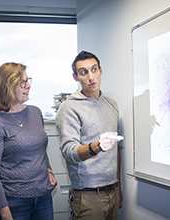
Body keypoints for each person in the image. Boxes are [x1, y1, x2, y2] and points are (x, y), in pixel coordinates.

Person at [0, 62, 57, 220]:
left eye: (28, 80)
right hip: (14, 202)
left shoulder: (35, 112)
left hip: (43, 198)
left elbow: (40, 148)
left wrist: (48, 170)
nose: (28, 85)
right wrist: (3, 211)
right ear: (8, 86)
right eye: (23, 82)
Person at [55, 51, 123, 220]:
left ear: (100, 70)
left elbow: (116, 151)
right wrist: (97, 146)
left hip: (112, 191)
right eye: (84, 72)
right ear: (75, 77)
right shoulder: (69, 107)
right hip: (87, 196)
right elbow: (69, 152)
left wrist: (119, 186)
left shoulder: (111, 104)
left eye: (94, 70)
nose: (91, 77)